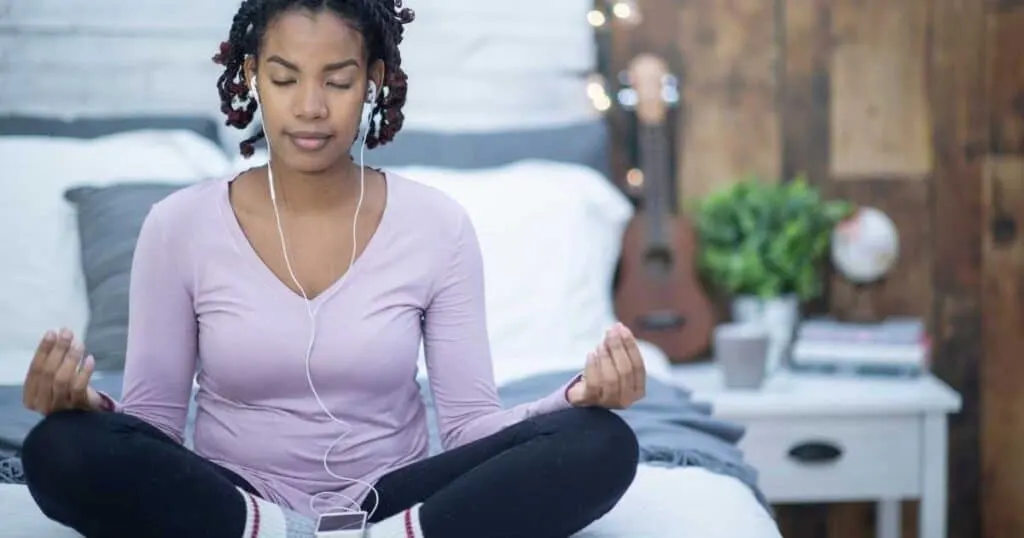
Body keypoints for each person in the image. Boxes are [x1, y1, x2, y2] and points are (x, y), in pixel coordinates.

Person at [19, 1, 647, 537]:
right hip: (234, 501)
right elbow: (154, 426)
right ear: (251, 77)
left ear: (373, 80)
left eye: (337, 81)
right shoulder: (177, 225)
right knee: (57, 449)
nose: (311, 107)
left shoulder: (437, 225)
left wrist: (573, 399)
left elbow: (470, 429)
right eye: (285, 78)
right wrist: (86, 407)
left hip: (392, 499)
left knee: (602, 442)